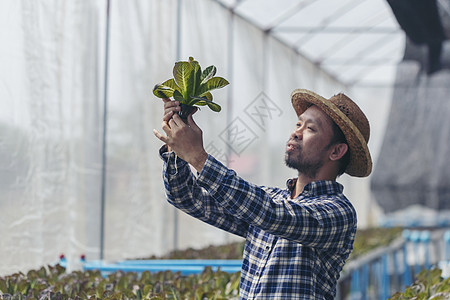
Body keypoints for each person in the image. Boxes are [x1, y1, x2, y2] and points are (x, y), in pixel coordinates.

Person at [153, 88, 372, 299]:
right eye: (298, 124)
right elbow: (187, 198)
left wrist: (199, 158)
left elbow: (272, 215)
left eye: (310, 129)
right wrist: (177, 147)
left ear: (336, 151)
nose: (296, 132)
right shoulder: (272, 199)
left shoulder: (338, 212)